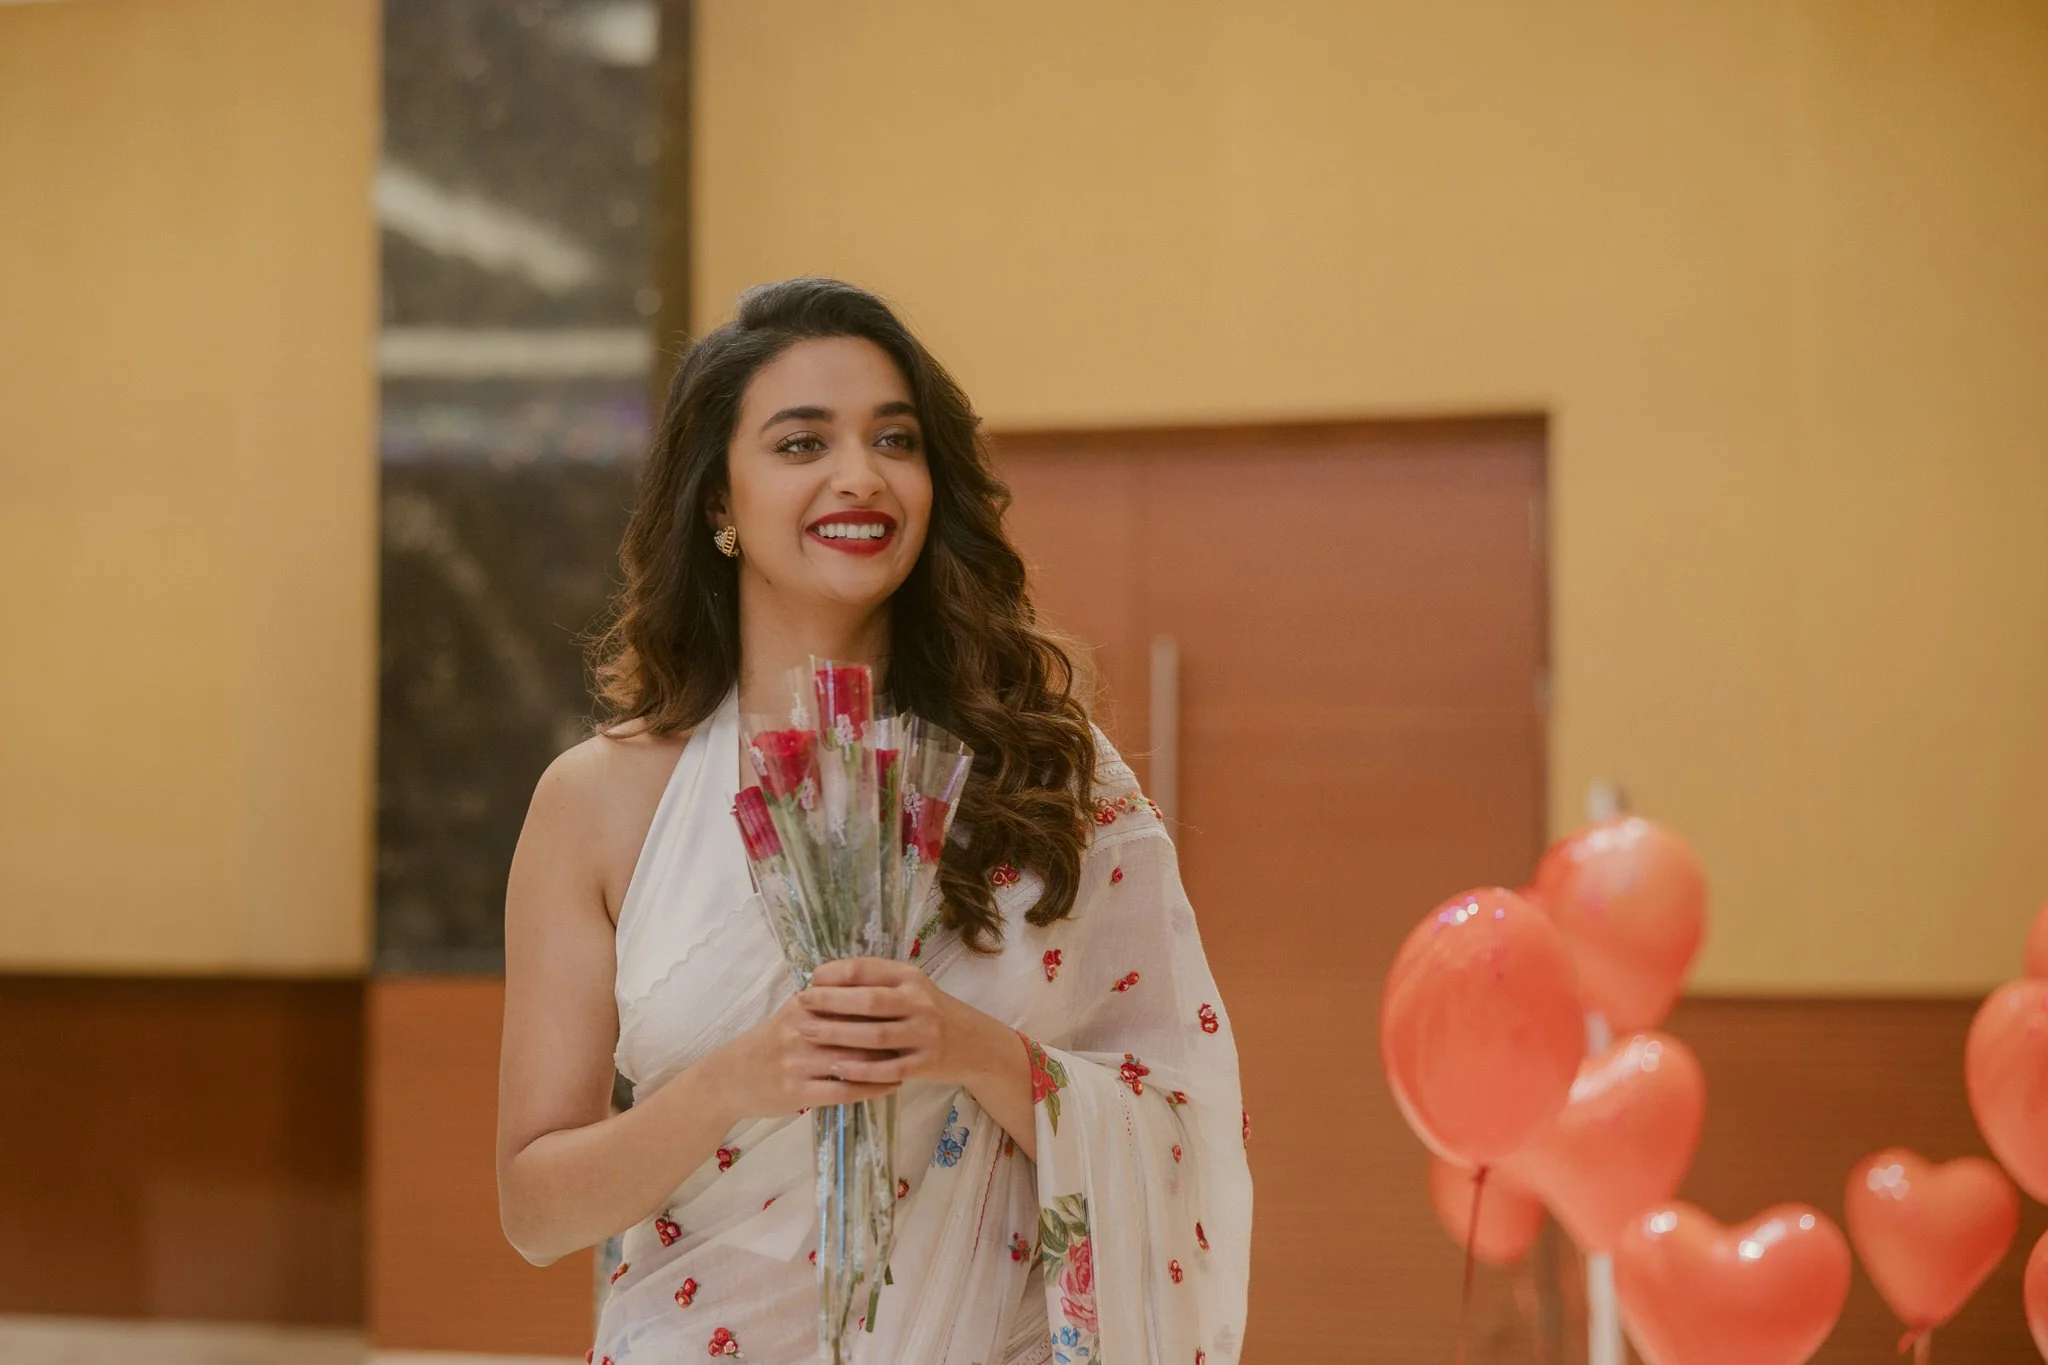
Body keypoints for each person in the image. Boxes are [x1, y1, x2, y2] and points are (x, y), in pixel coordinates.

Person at [496, 277, 1251, 1364]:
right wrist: (736, 1080)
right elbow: (535, 1209)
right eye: (801, 444)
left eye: (893, 439)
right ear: (718, 504)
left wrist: (967, 1048)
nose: (860, 475)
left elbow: (1177, 1120)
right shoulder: (597, 802)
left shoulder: (1046, 772)